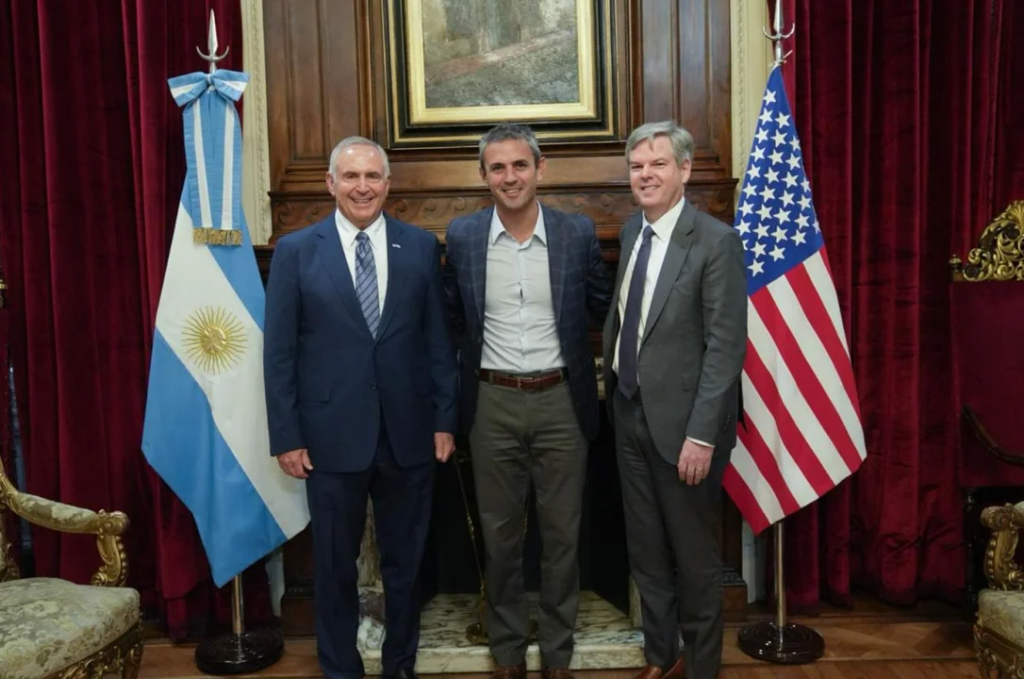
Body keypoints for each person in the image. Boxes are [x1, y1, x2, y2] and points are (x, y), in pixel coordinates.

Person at [264, 136, 457, 679]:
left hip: (409, 434)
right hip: (328, 439)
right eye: (351, 176)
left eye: (373, 176)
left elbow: (438, 342)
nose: (362, 187)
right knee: (333, 568)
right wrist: (286, 435)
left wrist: (445, 420)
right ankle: (340, 669)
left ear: (388, 184)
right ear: (331, 183)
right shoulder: (296, 252)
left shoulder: (420, 246)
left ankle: (400, 666)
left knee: (406, 566)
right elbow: (279, 354)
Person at [443, 122, 612, 679]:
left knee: (563, 536)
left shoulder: (576, 233)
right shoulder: (463, 236)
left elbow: (604, 307)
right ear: (483, 175)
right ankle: (508, 651)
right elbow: (451, 320)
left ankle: (558, 654)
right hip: (491, 403)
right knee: (500, 538)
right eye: (498, 167)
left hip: (562, 401)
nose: (510, 177)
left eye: (520, 165)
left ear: (541, 169)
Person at [602, 121, 747, 679]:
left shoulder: (715, 241)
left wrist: (702, 435)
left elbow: (725, 349)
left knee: (694, 559)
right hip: (628, 414)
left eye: (658, 164)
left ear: (684, 170)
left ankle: (703, 668)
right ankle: (662, 658)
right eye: (637, 166)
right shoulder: (632, 232)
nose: (645, 175)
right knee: (646, 552)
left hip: (686, 431)